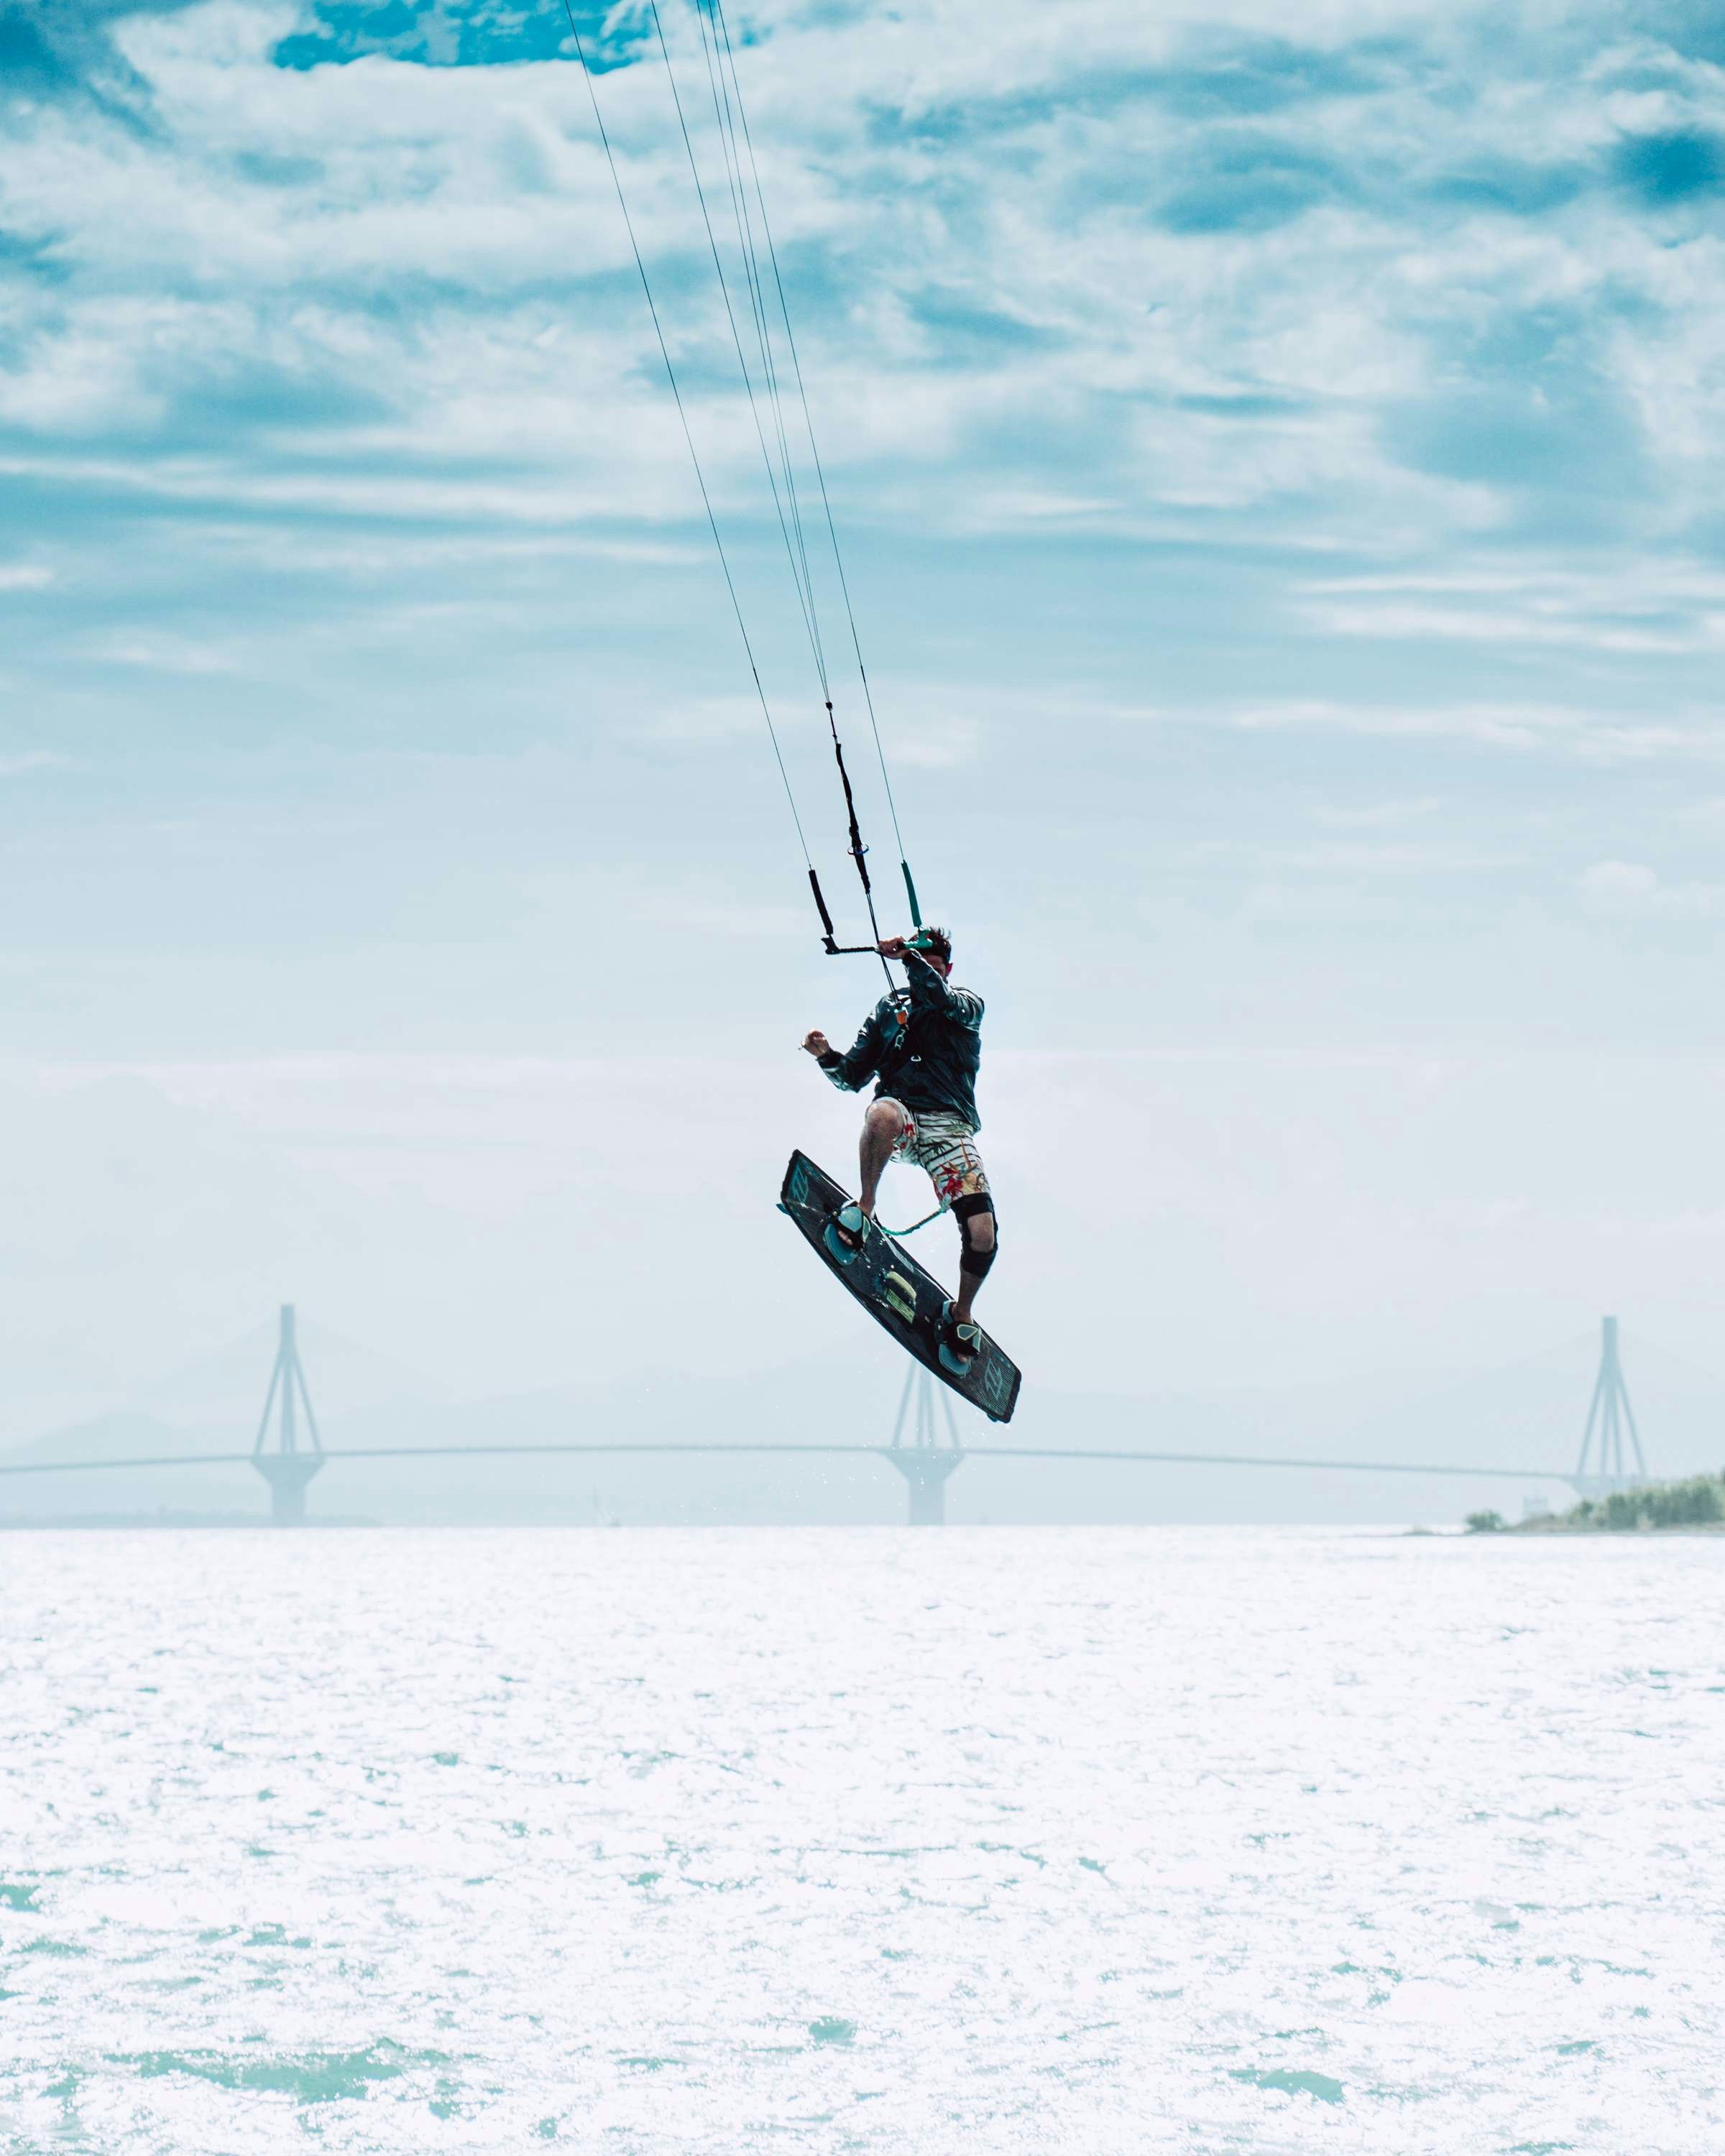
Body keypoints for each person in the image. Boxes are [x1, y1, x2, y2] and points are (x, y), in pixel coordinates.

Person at [801, 925, 996, 1372]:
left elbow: (939, 997)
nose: (925, 970)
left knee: (983, 1234)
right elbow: (853, 1076)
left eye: (932, 964)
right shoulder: (890, 1010)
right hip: (904, 1116)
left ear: (946, 968)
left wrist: (909, 957)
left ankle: (962, 1313)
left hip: (949, 1127)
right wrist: (826, 1056)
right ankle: (865, 1208)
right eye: (918, 963)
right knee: (882, 1113)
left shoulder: (966, 1006)